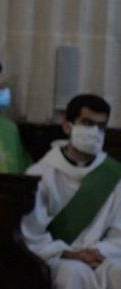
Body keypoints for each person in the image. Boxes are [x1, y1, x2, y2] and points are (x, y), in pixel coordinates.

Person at [21, 94, 121, 289]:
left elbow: (119, 234)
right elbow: (32, 234)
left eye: (101, 126)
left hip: (101, 255)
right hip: (59, 257)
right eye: (87, 123)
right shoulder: (40, 175)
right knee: (76, 272)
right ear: (68, 127)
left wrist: (95, 252)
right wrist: (72, 254)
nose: (94, 132)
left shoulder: (114, 176)